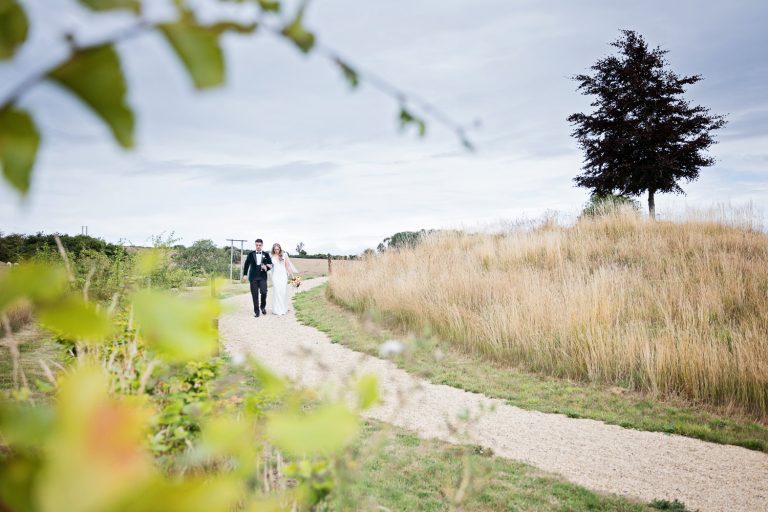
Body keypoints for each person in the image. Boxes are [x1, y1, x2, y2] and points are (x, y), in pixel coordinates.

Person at [242, 239, 272, 317]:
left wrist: (266, 268)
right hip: (253, 277)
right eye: (257, 245)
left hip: (262, 276)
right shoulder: (251, 254)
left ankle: (262, 307)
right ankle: (257, 311)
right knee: (254, 295)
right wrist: (245, 274)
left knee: (264, 292)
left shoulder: (266, 254)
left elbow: (270, 265)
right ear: (255, 245)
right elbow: (246, 264)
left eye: (259, 245)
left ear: (262, 245)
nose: (258, 246)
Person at [269, 243, 298, 315]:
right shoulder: (271, 256)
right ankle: (276, 309)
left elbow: (287, 266)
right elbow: (270, 266)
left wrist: (292, 275)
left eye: (278, 249)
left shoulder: (284, 255)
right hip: (275, 276)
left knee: (283, 292)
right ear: (273, 249)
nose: (276, 251)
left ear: (280, 249)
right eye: (275, 249)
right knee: (277, 291)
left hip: (283, 276)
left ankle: (284, 308)